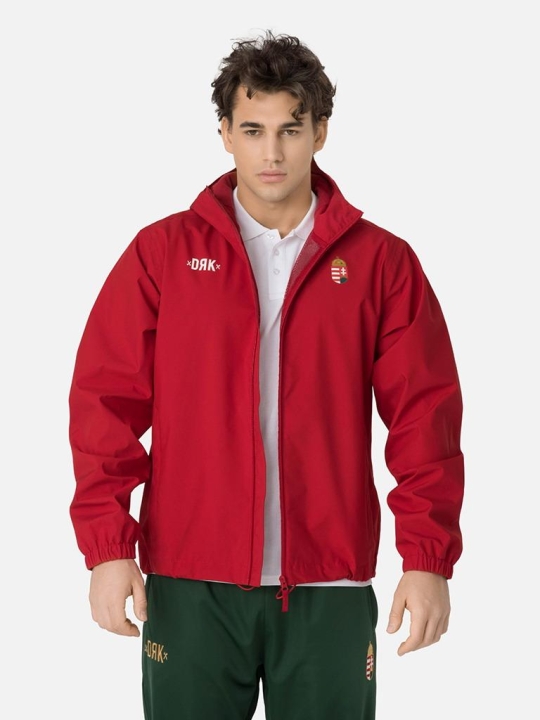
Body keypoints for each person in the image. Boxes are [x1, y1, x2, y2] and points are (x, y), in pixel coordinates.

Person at [68, 30, 465, 720]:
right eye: (253, 130)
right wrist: (108, 548)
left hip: (329, 586)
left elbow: (425, 416)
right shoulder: (162, 254)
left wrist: (427, 559)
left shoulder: (381, 263)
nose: (272, 152)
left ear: (321, 133)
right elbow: (105, 402)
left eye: (291, 129)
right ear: (225, 134)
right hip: (190, 582)